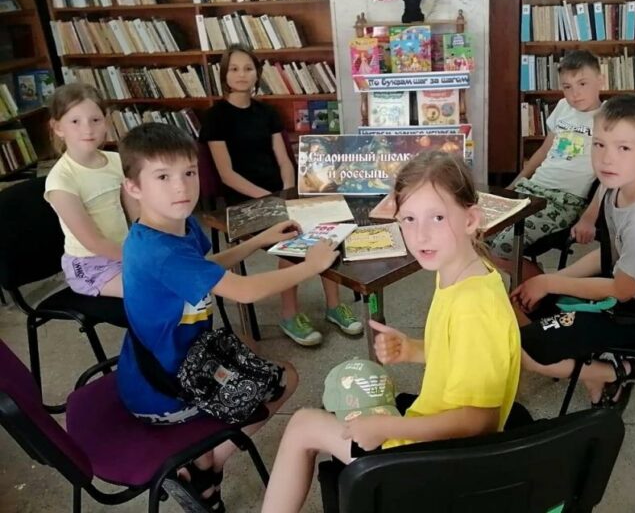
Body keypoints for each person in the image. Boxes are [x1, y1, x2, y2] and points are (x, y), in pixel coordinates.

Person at [261, 151, 522, 513]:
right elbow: (463, 354)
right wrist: (414, 349)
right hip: (443, 446)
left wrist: (386, 428)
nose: (421, 234)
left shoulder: (472, 306)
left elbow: (480, 420)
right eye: (409, 219)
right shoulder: (464, 274)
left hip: (440, 463)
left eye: (437, 217)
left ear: (471, 219)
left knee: (303, 425)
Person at [115, 123, 339, 511]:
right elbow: (244, 290)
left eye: (188, 172)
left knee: (262, 365)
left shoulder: (176, 225)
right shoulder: (161, 251)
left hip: (176, 362)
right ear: (133, 187)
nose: (181, 187)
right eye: (163, 177)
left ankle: (201, 467)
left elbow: (206, 268)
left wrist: (259, 240)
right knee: (286, 378)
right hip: (164, 389)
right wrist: (311, 266)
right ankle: (206, 466)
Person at [513, 94, 635, 409]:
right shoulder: (621, 184)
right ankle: (594, 359)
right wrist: (551, 282)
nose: (606, 159)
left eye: (624, 148)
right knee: (529, 302)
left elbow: (622, 290)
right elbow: (610, 257)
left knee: (523, 350)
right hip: (630, 290)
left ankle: (614, 371)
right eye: (599, 144)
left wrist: (548, 282)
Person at [200, 44, 361, 346]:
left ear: (257, 73)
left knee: (329, 228)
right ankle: (289, 314)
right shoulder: (215, 117)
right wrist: (270, 199)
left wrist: (286, 193)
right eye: (234, 69)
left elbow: (285, 161)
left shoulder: (267, 112)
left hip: (279, 194)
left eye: (248, 68)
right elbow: (227, 175)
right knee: (293, 238)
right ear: (224, 74)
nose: (241, 74)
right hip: (244, 203)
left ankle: (334, 306)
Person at [491, 50, 605, 279]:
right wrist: (514, 185)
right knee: (475, 232)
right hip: (531, 190)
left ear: (600, 80)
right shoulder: (563, 106)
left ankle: (542, 288)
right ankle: (531, 282)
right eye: (567, 86)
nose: (575, 94)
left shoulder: (608, 118)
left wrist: (589, 217)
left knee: (502, 246)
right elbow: (544, 151)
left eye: (582, 83)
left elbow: (609, 175)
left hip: (564, 201)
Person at [44, 83, 139, 299]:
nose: (87, 129)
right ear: (58, 128)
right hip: (89, 266)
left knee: (175, 276)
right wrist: (140, 259)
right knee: (155, 291)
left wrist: (152, 245)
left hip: (124, 250)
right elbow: (92, 242)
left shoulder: (116, 160)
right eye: (75, 122)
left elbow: (137, 215)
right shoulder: (61, 181)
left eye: (95, 120)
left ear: (106, 122)